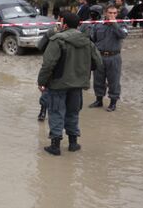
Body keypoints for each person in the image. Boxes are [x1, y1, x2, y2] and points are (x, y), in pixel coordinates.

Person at [38, 12, 103, 155]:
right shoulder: (87, 41)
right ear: (79, 24)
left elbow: (48, 64)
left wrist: (41, 82)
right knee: (73, 113)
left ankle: (55, 146)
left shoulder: (57, 40)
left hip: (57, 84)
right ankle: (73, 144)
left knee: (56, 112)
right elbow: (98, 62)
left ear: (64, 24)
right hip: (77, 85)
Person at [88, 5, 129, 112]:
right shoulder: (98, 25)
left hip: (114, 57)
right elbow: (93, 39)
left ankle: (113, 103)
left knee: (114, 81)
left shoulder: (121, 24)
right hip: (100, 56)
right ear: (105, 13)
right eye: (110, 13)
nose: (112, 15)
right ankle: (99, 100)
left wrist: (114, 23)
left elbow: (123, 35)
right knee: (98, 80)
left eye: (115, 13)